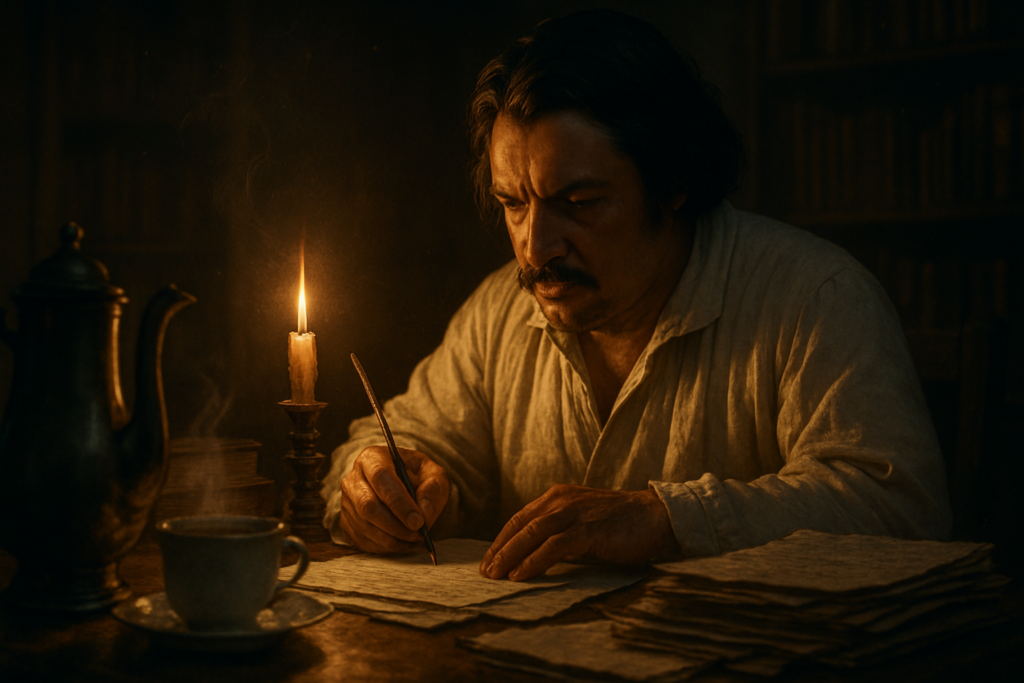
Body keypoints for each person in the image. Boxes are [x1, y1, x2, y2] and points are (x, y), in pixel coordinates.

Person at [320, 9, 951, 581]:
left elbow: (898, 509)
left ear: (672, 181)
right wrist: (382, 487)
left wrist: (666, 519)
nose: (536, 248)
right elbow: (398, 441)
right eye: (513, 203)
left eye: (579, 202)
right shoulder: (498, 314)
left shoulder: (814, 298)